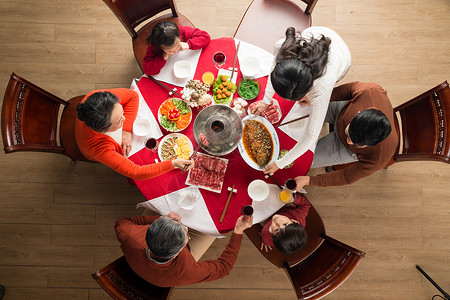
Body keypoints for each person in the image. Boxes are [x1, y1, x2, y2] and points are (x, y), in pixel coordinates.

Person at [251, 26, 351, 174]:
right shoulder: (281, 48)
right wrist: (265, 101)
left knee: (316, 102)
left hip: (340, 56)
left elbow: (311, 135)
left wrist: (281, 163)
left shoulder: (323, 84)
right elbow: (274, 73)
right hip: (316, 35)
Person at [294, 82, 398, 190]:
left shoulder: (380, 156)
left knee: (301, 160)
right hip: (341, 111)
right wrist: (315, 98)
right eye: (349, 135)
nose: (349, 142)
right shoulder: (370, 91)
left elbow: (346, 176)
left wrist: (308, 180)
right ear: (358, 113)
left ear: (368, 146)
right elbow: (346, 90)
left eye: (355, 143)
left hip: (344, 148)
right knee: (298, 107)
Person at [76, 89, 193, 180]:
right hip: (90, 150)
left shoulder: (101, 101)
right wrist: (173, 163)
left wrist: (126, 130)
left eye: (122, 111)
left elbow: (132, 96)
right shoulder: (97, 148)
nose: (125, 118)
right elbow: (136, 172)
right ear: (104, 130)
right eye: (118, 121)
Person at [115, 212, 253, 287]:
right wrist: (238, 231)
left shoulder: (130, 235)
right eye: (186, 233)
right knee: (215, 226)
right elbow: (224, 267)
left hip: (144, 264)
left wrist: (162, 219)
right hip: (163, 275)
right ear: (178, 252)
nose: (186, 227)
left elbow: (121, 222)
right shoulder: (186, 271)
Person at [143, 21, 211, 76]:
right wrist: (163, 57)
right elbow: (147, 70)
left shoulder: (180, 31)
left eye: (178, 46)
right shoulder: (154, 46)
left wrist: (188, 44)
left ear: (179, 36)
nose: (175, 51)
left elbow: (205, 37)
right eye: (170, 51)